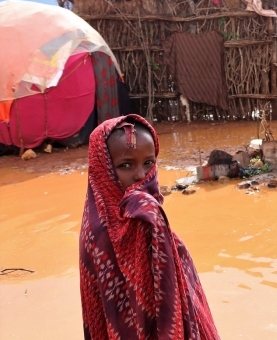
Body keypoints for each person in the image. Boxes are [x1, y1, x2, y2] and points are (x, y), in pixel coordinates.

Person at [79, 115, 220, 339]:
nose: (140, 175)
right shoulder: (142, 216)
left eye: (148, 163)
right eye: (125, 165)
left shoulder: (93, 222)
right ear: (102, 169)